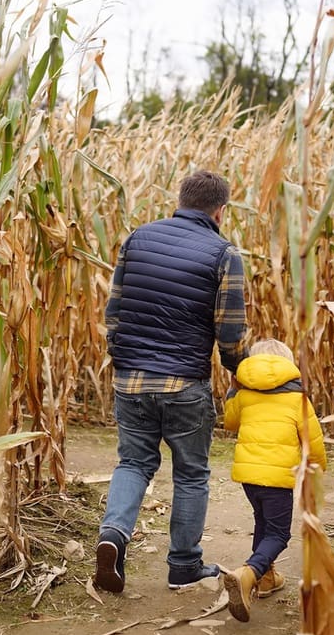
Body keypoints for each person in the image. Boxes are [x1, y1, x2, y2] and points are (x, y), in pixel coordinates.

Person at [93, 170, 249, 594]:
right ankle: (183, 565)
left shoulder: (136, 239)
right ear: (221, 210)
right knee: (192, 473)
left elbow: (115, 310)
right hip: (183, 384)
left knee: (133, 462)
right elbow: (230, 330)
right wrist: (240, 369)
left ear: (180, 199)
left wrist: (122, 359)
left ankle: (112, 537)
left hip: (131, 380)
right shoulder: (224, 254)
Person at [221, 338, 327, 622]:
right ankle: (249, 572)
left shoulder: (245, 394)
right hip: (278, 479)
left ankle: (265, 579)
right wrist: (318, 468)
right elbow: (313, 442)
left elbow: (230, 423)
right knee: (279, 534)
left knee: (263, 523)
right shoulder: (297, 399)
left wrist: (233, 391)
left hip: (249, 478)